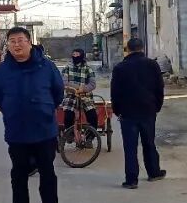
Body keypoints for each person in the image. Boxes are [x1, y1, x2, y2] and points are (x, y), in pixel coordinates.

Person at [0, 27, 65, 203]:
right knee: (18, 175)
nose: (17, 45)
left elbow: (58, 92)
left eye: (21, 40)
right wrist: (11, 112)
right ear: (8, 45)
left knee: (47, 174)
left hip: (44, 130)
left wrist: (45, 109)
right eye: (12, 41)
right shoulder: (2, 71)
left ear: (29, 42)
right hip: (17, 131)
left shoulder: (46, 66)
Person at [110, 37, 166, 189]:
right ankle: (154, 172)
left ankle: (131, 180)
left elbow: (115, 92)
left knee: (130, 147)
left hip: (127, 113)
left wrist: (117, 110)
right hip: (148, 110)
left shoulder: (120, 68)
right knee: (149, 143)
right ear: (142, 48)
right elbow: (159, 88)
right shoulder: (152, 65)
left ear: (128, 49)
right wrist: (157, 106)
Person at [60, 48, 99, 135]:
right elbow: (64, 83)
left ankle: (90, 137)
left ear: (82, 56)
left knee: (92, 116)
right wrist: (77, 88)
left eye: (77, 55)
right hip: (71, 96)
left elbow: (92, 84)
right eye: (73, 55)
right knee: (68, 116)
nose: (75, 56)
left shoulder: (88, 69)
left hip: (85, 96)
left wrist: (84, 89)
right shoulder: (67, 68)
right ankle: (70, 135)